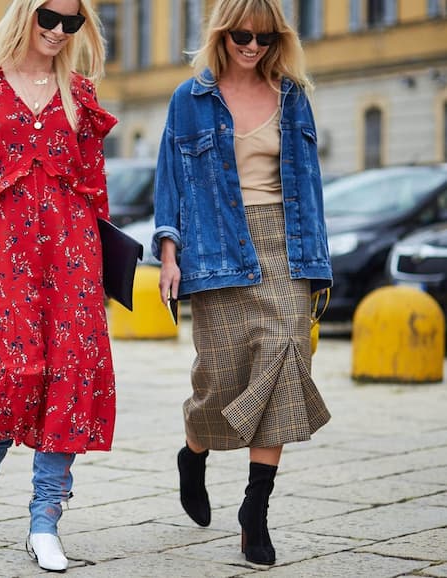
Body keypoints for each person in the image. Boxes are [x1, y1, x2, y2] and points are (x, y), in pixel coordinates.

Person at [0, 0, 116, 572]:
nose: (60, 31)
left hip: (77, 255)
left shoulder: (81, 94)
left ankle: (45, 519)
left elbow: (96, 190)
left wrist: (111, 271)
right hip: (13, 253)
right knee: (17, 369)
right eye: (50, 17)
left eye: (72, 22)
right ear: (24, 15)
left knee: (71, 375)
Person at [152, 0, 332, 566]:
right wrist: (167, 253)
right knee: (220, 382)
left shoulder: (291, 95)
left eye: (264, 37)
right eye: (241, 37)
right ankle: (194, 450)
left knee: (282, 362)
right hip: (215, 248)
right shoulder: (189, 100)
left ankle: (255, 512)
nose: (252, 47)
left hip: (285, 244)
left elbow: (312, 181)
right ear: (221, 35)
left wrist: (318, 261)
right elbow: (169, 181)